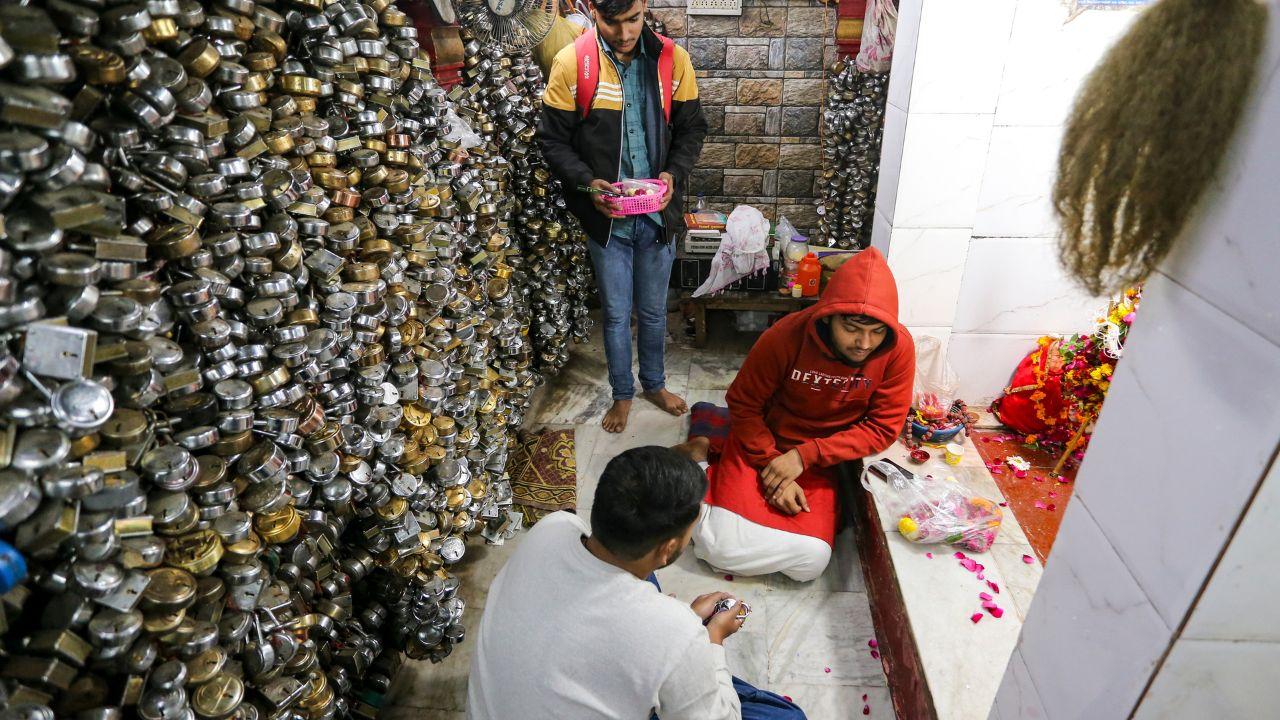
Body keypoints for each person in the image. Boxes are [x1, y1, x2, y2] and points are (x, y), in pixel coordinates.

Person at [468, 446, 806, 720]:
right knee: (787, 717)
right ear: (669, 548)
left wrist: (672, 627)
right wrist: (709, 639)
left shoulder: (554, 525)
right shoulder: (678, 632)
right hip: (661, 640)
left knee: (649, 596)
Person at [678, 248, 915, 582]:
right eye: (852, 328)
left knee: (811, 563)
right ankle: (704, 456)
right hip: (762, 444)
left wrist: (805, 457)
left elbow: (883, 427)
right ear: (829, 315)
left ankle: (715, 468)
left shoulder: (897, 348)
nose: (864, 343)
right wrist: (772, 464)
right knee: (717, 548)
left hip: (823, 458)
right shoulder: (785, 337)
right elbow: (744, 405)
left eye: (876, 332)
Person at [538, 0, 709, 434]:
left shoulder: (673, 60)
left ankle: (654, 384)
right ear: (593, 10)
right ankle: (622, 394)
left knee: (653, 312)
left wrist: (674, 174)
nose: (624, 32)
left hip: (657, 218)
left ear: (644, 7)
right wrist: (587, 184)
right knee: (616, 314)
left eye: (632, 19)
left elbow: (692, 128)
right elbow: (553, 141)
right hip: (607, 219)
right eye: (611, 22)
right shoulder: (573, 63)